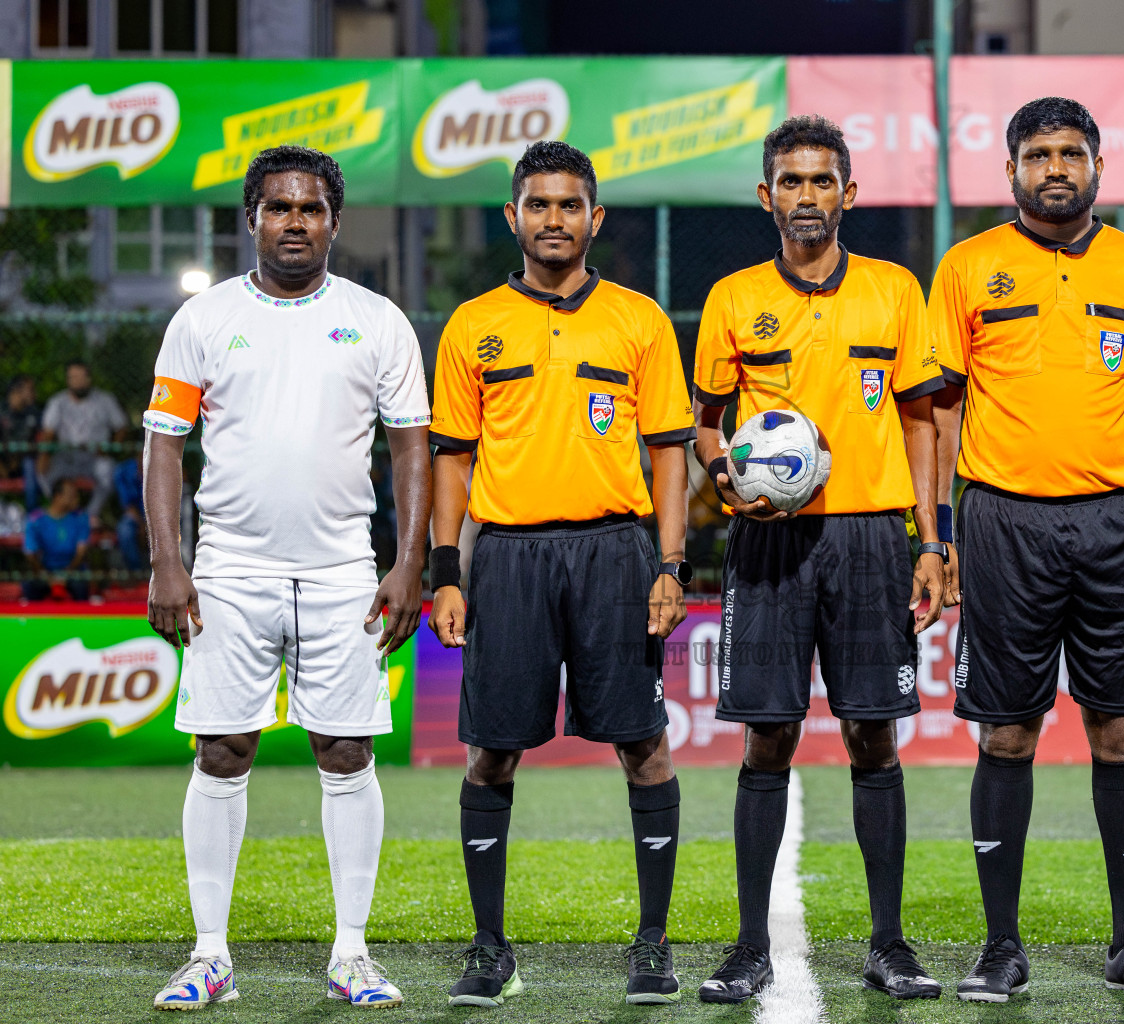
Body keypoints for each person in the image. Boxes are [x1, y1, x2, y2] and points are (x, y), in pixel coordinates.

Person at [143, 145, 430, 1011]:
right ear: (253, 219)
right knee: (223, 750)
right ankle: (209, 956)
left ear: (335, 222)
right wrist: (168, 558)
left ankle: (351, 954)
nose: (294, 221)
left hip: (345, 567)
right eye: (278, 208)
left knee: (346, 751)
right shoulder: (205, 320)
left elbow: (411, 444)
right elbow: (164, 444)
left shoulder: (378, 320)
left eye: (310, 209)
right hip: (228, 568)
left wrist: (409, 559)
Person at [929, 96, 1124, 1001]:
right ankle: (1000, 948)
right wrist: (945, 533)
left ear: (1097, 167)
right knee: (1008, 731)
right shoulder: (967, 268)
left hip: (1121, 523)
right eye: (1038, 154)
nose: (1055, 167)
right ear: (1010, 172)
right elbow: (942, 409)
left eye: (1071, 153)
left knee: (1119, 730)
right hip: (1004, 522)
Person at [427, 140, 695, 1008]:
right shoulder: (471, 326)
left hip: (616, 552)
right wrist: (446, 571)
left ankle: (652, 945)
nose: (553, 220)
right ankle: (490, 947)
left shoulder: (639, 320)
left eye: (568, 205)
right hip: (506, 557)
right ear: (513, 217)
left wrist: (670, 562)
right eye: (537, 205)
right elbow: (452, 463)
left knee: (642, 746)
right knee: (490, 753)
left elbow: (667, 456)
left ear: (594, 218)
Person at [691, 115, 948, 1004]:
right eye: (790, 182)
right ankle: (749, 947)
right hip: (769, 537)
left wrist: (932, 539)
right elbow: (707, 425)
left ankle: (889, 943)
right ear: (767, 196)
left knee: (873, 734)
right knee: (769, 738)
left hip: (872, 536)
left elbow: (923, 421)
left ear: (850, 191)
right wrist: (726, 483)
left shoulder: (894, 293)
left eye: (822, 180)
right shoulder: (731, 299)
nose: (807, 196)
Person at [38, 361, 127, 524]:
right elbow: (48, 432)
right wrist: (44, 455)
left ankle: (89, 516)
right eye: (73, 377)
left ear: (89, 378)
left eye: (81, 377)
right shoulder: (58, 402)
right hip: (67, 456)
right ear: (67, 380)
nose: (77, 381)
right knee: (43, 473)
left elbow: (121, 427)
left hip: (95, 457)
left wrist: (110, 449)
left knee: (108, 472)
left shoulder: (105, 400)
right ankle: (63, 512)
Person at [22, 477, 91, 601]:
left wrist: (65, 575)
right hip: (45, 570)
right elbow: (30, 554)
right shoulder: (36, 519)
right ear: (57, 496)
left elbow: (81, 553)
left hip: (72, 571)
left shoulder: (80, 517)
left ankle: (81, 619)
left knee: (81, 586)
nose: (76, 499)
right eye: (71, 495)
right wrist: (48, 577)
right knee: (30, 586)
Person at [0, 374, 42, 507]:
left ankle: (32, 518)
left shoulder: (35, 413)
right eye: (30, 389)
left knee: (30, 466)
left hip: (25, 463)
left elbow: (40, 443)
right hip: (3, 461)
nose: (34, 393)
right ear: (17, 391)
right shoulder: (2, 411)